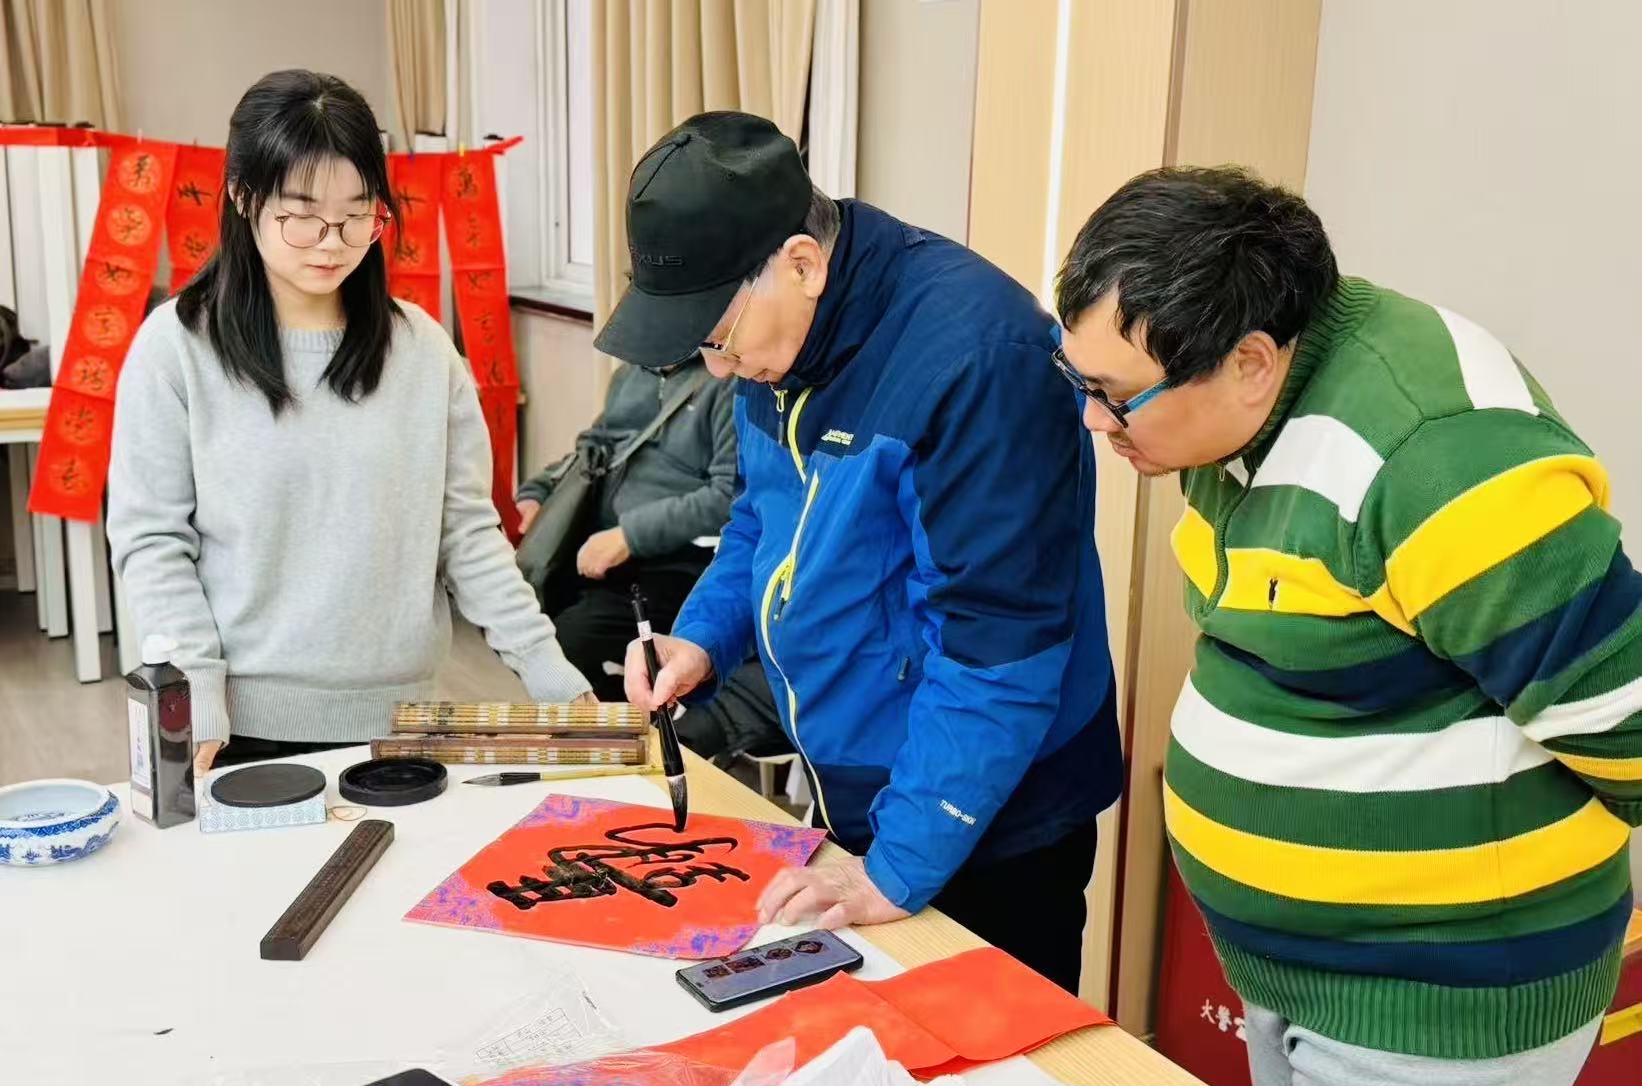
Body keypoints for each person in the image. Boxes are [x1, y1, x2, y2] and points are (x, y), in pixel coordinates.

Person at [1055, 166, 1641, 1086]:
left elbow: (1627, 722)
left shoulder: (1439, 460)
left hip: (1432, 997)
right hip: (1308, 970)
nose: (1097, 423)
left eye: (1115, 396)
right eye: (1082, 383)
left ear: (1249, 360)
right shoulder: (1243, 404)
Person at [604, 112, 1124, 993]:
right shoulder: (780, 345)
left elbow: (997, 653)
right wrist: (701, 638)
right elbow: (762, 519)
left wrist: (896, 863)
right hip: (862, 789)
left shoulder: (979, 362)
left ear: (803, 264)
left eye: (719, 338)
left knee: (988, 1061)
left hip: (990, 810)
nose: (719, 369)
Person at [108, 70, 592, 776]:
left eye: (358, 214)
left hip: (403, 723)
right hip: (235, 728)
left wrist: (554, 679)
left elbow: (467, 535)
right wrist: (195, 695)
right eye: (301, 215)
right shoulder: (177, 347)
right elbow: (153, 541)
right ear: (242, 196)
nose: (331, 243)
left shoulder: (422, 351)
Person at [516, 355, 735, 701]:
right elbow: (593, 448)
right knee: (520, 627)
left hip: (676, 562)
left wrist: (629, 536)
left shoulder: (727, 384)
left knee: (566, 645)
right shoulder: (631, 374)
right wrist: (540, 490)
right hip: (600, 545)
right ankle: (612, 713)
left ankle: (630, 719)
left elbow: (726, 497)